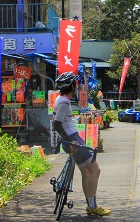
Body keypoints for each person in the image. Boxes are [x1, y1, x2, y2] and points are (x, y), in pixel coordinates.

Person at [53, 72, 111, 217]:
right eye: (75, 85)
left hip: (71, 139)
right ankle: (92, 206)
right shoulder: (65, 102)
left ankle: (90, 205)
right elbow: (57, 124)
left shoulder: (60, 99)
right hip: (73, 139)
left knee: (86, 172)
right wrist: (71, 141)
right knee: (95, 170)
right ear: (72, 86)